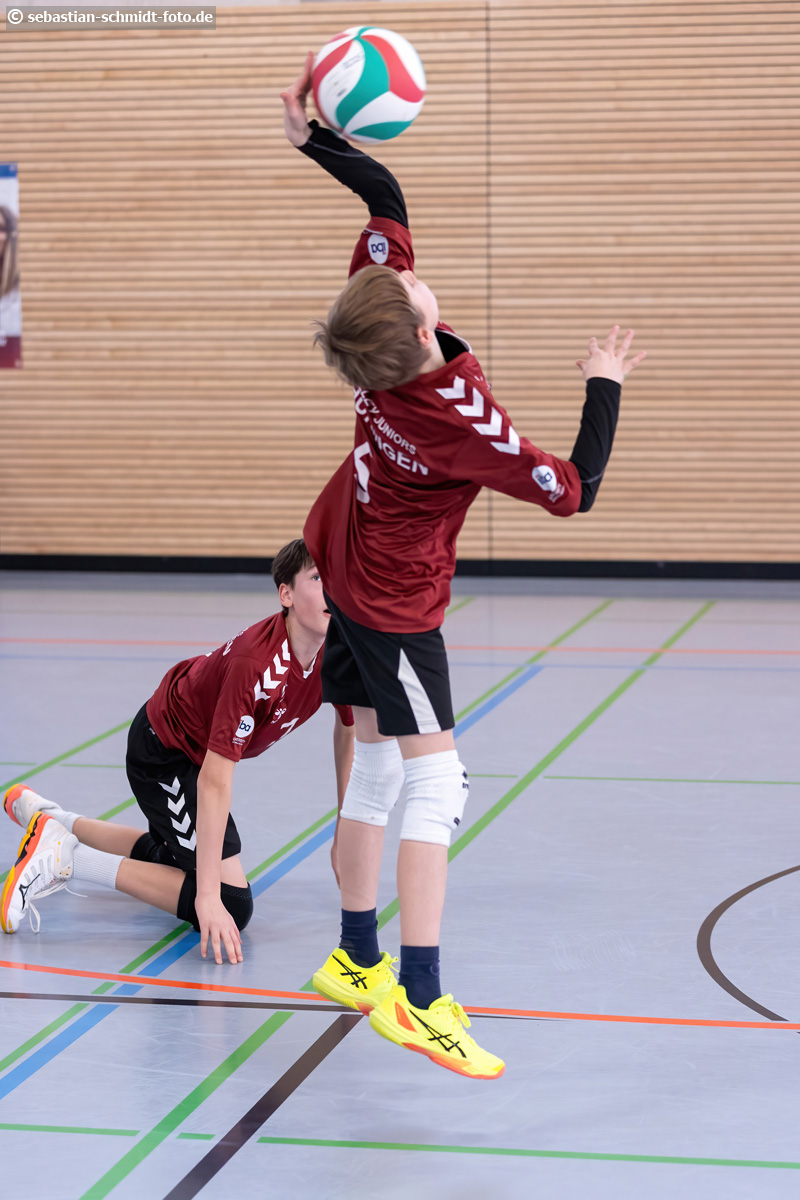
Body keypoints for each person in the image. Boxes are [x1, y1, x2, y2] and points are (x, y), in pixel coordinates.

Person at [281, 53, 647, 1080]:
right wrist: (604, 383)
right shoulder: (455, 415)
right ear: (413, 327)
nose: (406, 269)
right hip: (393, 604)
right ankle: (419, 993)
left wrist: (314, 140)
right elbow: (571, 490)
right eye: (405, 283)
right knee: (437, 785)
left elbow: (385, 200)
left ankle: (354, 957)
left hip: (342, 565)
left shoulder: (373, 332)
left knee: (376, 766)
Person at [1, 539, 355, 965]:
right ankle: (67, 859)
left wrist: (345, 826)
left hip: (194, 753)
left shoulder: (339, 652)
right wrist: (207, 897)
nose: (330, 589)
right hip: (164, 752)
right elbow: (214, 781)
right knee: (230, 902)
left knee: (178, 858)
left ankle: (53, 821)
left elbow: (348, 730)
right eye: (316, 578)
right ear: (286, 595)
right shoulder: (258, 667)